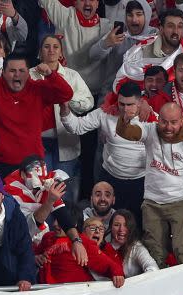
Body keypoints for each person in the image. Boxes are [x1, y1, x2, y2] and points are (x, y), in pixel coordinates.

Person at [115, 102, 183, 267]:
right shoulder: (151, 130)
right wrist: (126, 118)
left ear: (182, 120)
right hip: (152, 203)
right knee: (155, 252)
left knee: (182, 250)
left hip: (181, 201)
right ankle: (159, 291)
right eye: (164, 121)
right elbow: (127, 132)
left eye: (173, 122)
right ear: (159, 120)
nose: (168, 127)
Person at [0, 53, 74, 177]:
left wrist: (50, 74)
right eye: (12, 71)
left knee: (36, 197)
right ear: (3, 72)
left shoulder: (38, 89)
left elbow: (66, 94)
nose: (17, 75)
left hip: (33, 164)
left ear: (28, 73)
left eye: (22, 71)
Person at [61, 82, 146, 223]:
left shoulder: (152, 119)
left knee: (136, 224)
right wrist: (65, 110)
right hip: (111, 178)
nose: (125, 109)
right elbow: (77, 127)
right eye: (122, 104)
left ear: (141, 103)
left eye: (130, 104)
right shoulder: (105, 113)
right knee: (106, 222)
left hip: (139, 181)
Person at [31, 34, 95, 202]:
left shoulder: (72, 76)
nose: (51, 50)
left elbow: (88, 102)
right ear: (39, 52)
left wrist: (67, 99)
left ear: (61, 53)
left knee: (66, 197)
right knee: (41, 195)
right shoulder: (30, 75)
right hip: (38, 144)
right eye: (46, 46)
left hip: (66, 142)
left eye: (55, 47)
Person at [38, 0, 111, 97]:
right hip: (66, 91)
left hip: (95, 94)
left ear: (98, 4)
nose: (87, 3)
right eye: (82, 0)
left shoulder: (107, 27)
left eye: (92, 0)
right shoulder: (65, 17)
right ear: (75, 2)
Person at [34, 216, 125, 287]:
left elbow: (108, 265)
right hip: (44, 294)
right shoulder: (48, 237)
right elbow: (31, 254)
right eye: (55, 219)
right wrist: (36, 258)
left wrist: (117, 274)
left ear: (74, 224)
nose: (55, 224)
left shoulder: (83, 243)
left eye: (61, 220)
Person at [100, 209, 159, 277]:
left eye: (126, 225)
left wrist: (134, 284)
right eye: (117, 225)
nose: (121, 229)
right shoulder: (103, 247)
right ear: (110, 227)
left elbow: (153, 269)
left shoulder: (137, 247)